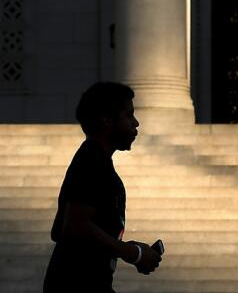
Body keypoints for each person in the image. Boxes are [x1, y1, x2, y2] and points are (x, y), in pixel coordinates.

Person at [43, 82, 163, 292]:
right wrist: (132, 253)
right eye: (129, 115)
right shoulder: (92, 162)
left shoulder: (93, 160)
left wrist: (126, 248)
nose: (136, 123)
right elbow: (74, 227)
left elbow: (60, 229)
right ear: (107, 120)